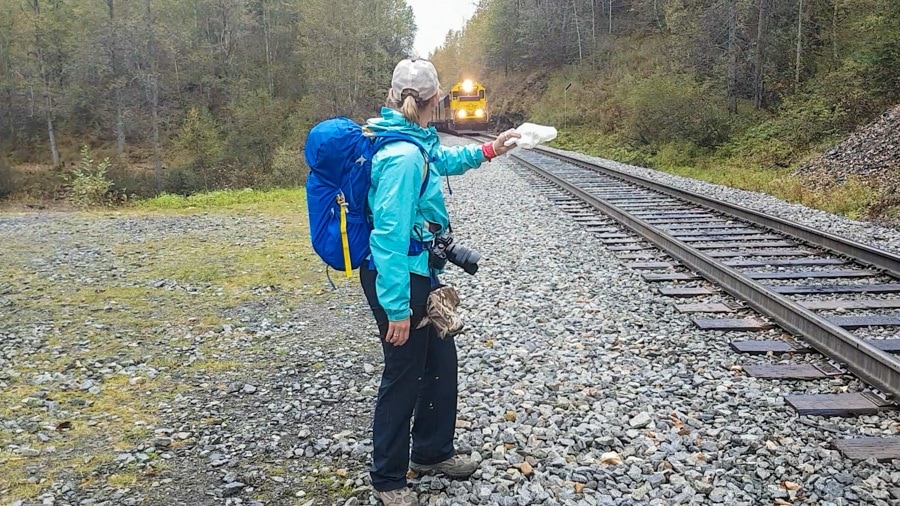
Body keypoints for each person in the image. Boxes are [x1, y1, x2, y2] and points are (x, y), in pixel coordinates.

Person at [360, 58, 520, 506]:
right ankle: (388, 479)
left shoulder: (413, 141)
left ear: (394, 97)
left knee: (439, 363)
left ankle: (431, 452)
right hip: (398, 277)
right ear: (435, 99)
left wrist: (490, 150)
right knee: (403, 374)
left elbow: (443, 160)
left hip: (419, 271)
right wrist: (396, 308)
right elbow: (388, 237)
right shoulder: (403, 157)